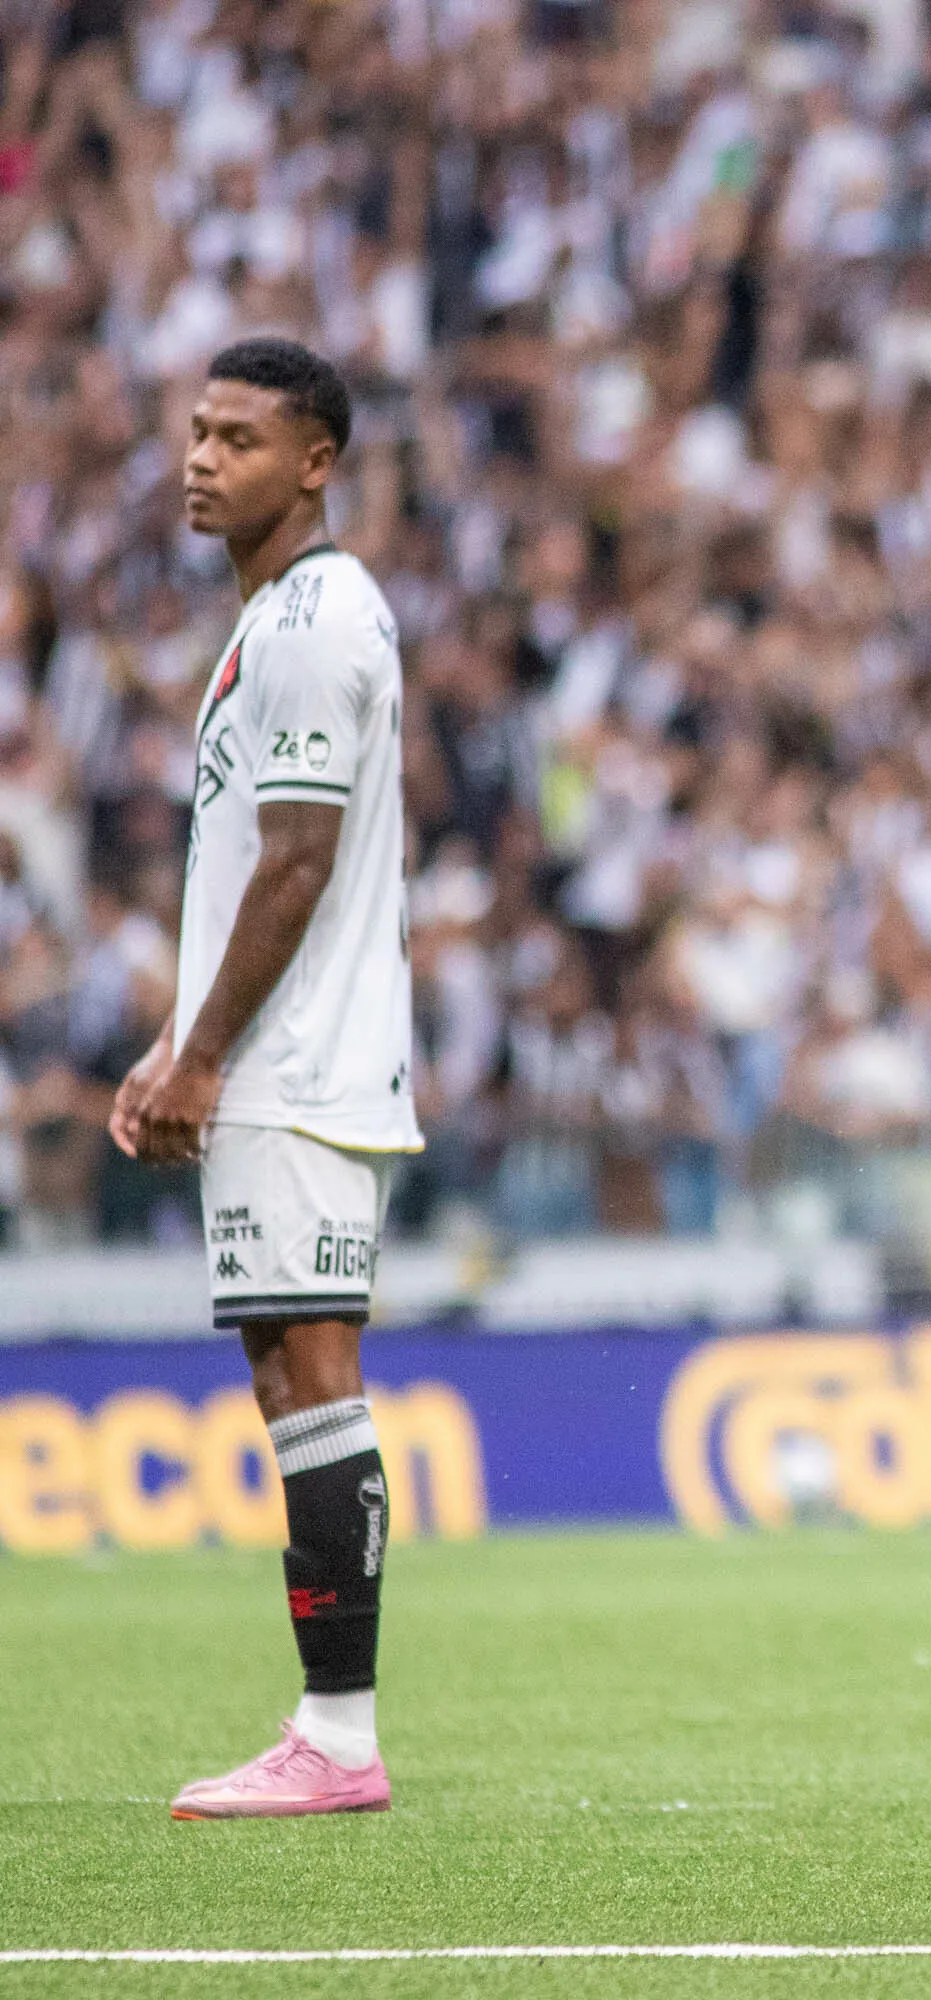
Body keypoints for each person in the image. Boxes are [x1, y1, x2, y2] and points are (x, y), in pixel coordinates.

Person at [110, 338, 420, 1818]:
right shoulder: (276, 617)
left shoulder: (311, 619)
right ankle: (331, 1730)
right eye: (194, 431)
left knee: (312, 1370)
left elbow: (296, 864)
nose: (200, 458)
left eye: (238, 437)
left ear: (317, 464)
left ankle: (339, 1738)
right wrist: (179, 1047)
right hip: (273, 1059)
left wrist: (209, 1052)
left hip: (295, 1066)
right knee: (285, 1370)